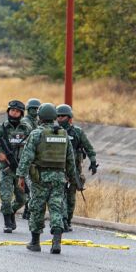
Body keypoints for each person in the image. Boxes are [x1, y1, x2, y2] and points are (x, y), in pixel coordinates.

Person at [16, 103, 77, 253]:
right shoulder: (63, 134)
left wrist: (21, 175)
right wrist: (71, 176)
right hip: (58, 178)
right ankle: (56, 242)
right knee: (57, 208)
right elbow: (70, 159)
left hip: (40, 178)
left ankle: (35, 242)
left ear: (40, 117)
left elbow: (26, 156)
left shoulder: (37, 134)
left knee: (37, 207)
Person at [0, 99, 32, 233]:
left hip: (21, 171)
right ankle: (7, 221)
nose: (14, 113)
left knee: (22, 199)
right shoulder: (2, 128)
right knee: (6, 198)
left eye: (17, 111)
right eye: (12, 110)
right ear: (8, 111)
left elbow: (33, 147)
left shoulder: (27, 129)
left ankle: (11, 212)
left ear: (21, 114)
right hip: (6, 169)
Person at [55, 103, 98, 232]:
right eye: (58, 116)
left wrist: (93, 162)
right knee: (59, 197)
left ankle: (68, 220)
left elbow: (88, 148)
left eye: (63, 116)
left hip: (74, 171)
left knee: (71, 198)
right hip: (58, 170)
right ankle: (62, 220)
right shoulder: (53, 131)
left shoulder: (77, 132)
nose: (60, 118)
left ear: (69, 117)